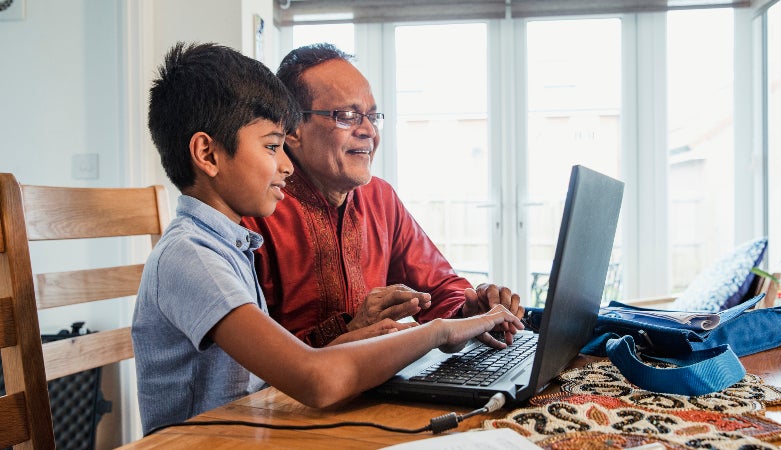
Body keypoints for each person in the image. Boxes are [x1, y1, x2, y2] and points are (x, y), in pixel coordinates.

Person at [132, 41, 523, 436]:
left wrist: (461, 317)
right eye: (272, 145)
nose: (369, 130)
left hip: (272, 424)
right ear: (208, 154)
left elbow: (275, 376)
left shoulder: (230, 240)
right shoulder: (206, 247)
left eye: (372, 116)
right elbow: (311, 376)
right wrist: (437, 331)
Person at [241, 43, 524, 348]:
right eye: (347, 115)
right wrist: (351, 328)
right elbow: (252, 358)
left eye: (372, 117)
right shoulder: (255, 211)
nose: (369, 131)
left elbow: (441, 288)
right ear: (293, 128)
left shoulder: (379, 198)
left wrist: (471, 309)